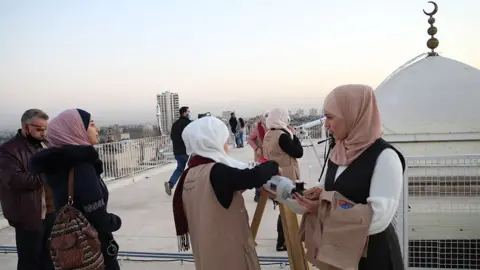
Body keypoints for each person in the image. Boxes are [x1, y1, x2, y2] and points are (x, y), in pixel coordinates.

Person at [294, 84, 405, 270]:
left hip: (373, 259)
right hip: (340, 256)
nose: (325, 124)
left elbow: (378, 217)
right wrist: (315, 193)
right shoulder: (338, 152)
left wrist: (323, 212)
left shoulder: (385, 157)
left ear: (353, 115)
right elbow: (329, 187)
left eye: (330, 117)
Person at [172, 116, 281, 270]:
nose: (227, 145)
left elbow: (222, 189)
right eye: (223, 140)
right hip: (228, 252)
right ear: (212, 141)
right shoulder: (216, 171)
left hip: (207, 250)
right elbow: (252, 177)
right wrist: (273, 165)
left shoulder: (191, 172)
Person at [30, 109, 122, 270]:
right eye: (91, 125)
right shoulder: (82, 166)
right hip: (92, 246)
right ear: (76, 130)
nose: (97, 129)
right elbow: (97, 215)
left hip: (71, 246)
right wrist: (114, 221)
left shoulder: (58, 166)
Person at [0, 109, 55, 270]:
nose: (43, 133)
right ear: (25, 127)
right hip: (29, 215)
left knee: (49, 260)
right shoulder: (8, 150)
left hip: (52, 212)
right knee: (30, 261)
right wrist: (49, 172)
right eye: (38, 129)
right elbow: (15, 180)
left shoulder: (46, 144)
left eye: (45, 129)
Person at [262, 108, 303, 252]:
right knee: (288, 208)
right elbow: (298, 152)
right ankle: (282, 241)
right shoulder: (283, 136)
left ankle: (284, 238)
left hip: (276, 175)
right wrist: (294, 136)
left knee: (283, 208)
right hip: (288, 176)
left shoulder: (268, 134)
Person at [164, 106, 192, 195]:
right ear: (184, 113)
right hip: (186, 151)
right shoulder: (188, 123)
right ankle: (188, 189)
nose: (189, 113)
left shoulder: (175, 124)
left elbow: (172, 136)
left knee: (180, 169)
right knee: (191, 169)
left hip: (177, 151)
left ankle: (170, 184)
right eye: (188, 111)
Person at [247, 111, 269, 202]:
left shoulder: (274, 127)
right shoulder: (258, 128)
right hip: (260, 155)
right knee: (259, 173)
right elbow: (250, 139)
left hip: (270, 155)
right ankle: (258, 193)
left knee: (270, 173)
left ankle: (269, 192)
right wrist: (256, 148)